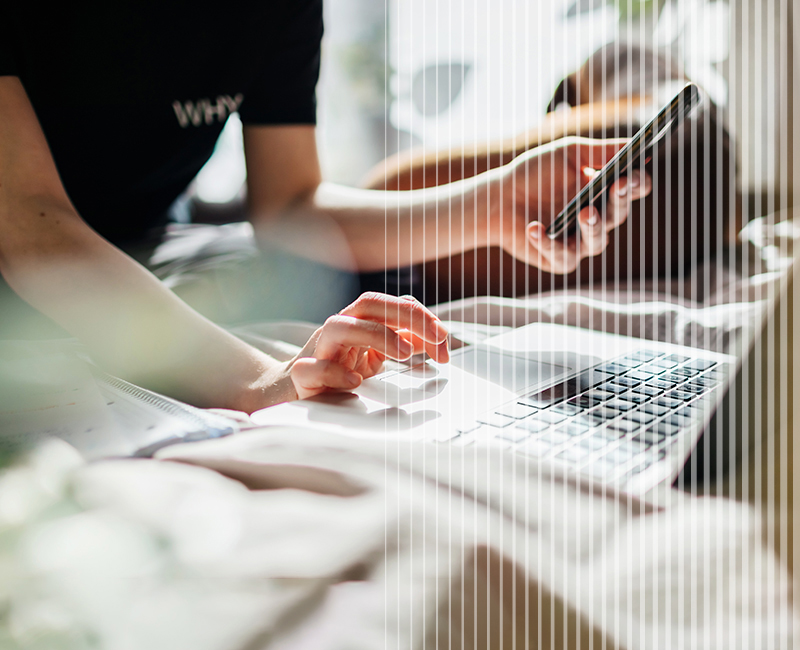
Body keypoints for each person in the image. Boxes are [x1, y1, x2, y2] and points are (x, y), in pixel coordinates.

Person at [0, 1, 651, 414]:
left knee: (345, 284)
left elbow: (289, 205)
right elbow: (30, 227)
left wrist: (490, 204)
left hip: (133, 243)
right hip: (32, 246)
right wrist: (263, 382)